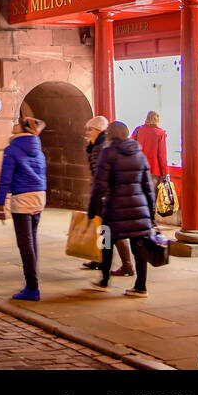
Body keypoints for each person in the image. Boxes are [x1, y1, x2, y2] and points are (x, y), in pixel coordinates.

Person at [88, 121, 156, 299]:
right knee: (139, 247)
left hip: (115, 207)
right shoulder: (139, 154)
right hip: (139, 208)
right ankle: (141, 287)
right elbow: (148, 186)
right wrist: (151, 212)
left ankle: (104, 281)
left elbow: (100, 185)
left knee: (106, 243)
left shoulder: (108, 153)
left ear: (111, 134)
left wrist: (92, 207)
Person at [0, 116, 48, 302]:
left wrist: (0, 203)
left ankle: (32, 288)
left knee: (25, 244)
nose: (13, 126)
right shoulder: (39, 150)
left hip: (23, 199)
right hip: (39, 197)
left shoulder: (12, 150)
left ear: (23, 128)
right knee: (32, 241)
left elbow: (5, 178)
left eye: (16, 123)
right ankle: (32, 284)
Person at [81, 116, 134, 277]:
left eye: (91, 129)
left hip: (106, 196)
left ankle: (126, 265)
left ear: (100, 131)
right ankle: (100, 259)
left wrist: (99, 195)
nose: (87, 132)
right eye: (87, 129)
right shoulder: (96, 145)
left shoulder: (101, 148)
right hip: (105, 195)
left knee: (113, 232)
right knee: (103, 230)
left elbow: (100, 174)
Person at [132, 111, 169, 195]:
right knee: (151, 196)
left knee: (140, 194)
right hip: (154, 170)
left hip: (139, 168)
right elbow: (162, 155)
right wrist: (166, 173)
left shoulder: (138, 130)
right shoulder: (160, 133)